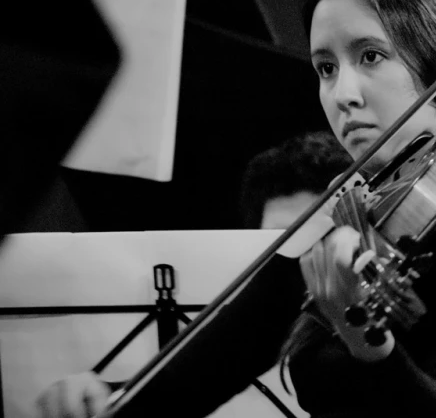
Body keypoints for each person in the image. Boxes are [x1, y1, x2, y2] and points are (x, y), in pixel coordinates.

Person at [36, 0, 436, 418]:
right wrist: (109, 397)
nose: (342, 93)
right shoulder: (353, 213)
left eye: (370, 55)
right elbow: (217, 363)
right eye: (325, 67)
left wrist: (359, 331)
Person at [34, 132, 351, 418]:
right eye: (279, 244)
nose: (306, 263)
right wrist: (103, 398)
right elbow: (198, 376)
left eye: (319, 240)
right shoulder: (261, 315)